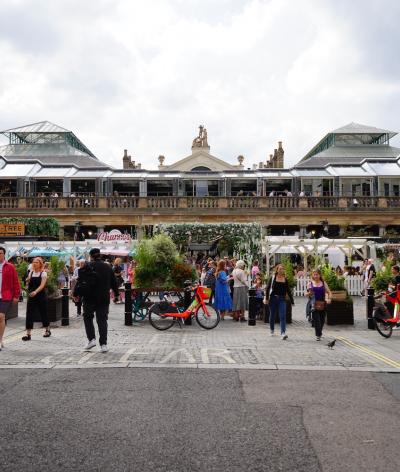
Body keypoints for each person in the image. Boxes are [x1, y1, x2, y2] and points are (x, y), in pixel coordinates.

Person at [73, 248, 119, 353]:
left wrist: (76, 294)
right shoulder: (107, 267)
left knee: (88, 318)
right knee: (102, 320)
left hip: (89, 298)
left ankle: (91, 339)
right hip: (103, 297)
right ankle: (103, 344)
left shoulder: (87, 266)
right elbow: (114, 282)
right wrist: (116, 294)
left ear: (91, 256)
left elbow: (80, 282)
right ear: (100, 255)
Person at [22, 257, 50, 341]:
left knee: (43, 312)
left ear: (40, 264)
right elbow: (28, 284)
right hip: (31, 295)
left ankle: (47, 330)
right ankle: (28, 334)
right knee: (29, 314)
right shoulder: (31, 272)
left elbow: (42, 285)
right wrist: (27, 281)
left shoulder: (43, 273)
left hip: (40, 295)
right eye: (33, 262)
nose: (34, 263)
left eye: (37, 262)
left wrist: (35, 292)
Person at [264, 264, 294, 339]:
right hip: (273, 298)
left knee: (283, 315)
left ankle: (283, 333)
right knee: (272, 314)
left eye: (282, 269)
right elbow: (267, 288)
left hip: (282, 299)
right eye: (280, 269)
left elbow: (288, 290)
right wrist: (267, 299)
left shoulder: (285, 279)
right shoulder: (273, 277)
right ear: (277, 270)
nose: (281, 270)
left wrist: (292, 300)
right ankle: (272, 329)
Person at [0, 247, 21, 351]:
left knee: (1, 317)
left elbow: (16, 282)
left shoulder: (10, 267)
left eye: (0, 253)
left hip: (5, 296)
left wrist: (16, 296)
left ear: (4, 254)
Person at [306, 269, 332, 341]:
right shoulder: (310, 283)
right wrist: (308, 293)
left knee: (322, 320)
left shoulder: (323, 283)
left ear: (319, 275)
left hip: (323, 303)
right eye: (314, 274)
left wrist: (329, 299)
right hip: (314, 304)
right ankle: (318, 334)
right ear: (312, 275)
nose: (316, 276)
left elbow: (329, 292)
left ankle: (319, 332)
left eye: (317, 274)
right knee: (317, 320)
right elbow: (306, 294)